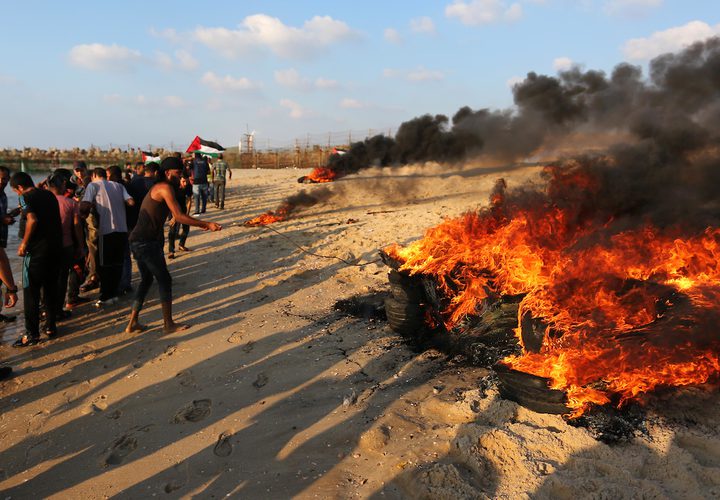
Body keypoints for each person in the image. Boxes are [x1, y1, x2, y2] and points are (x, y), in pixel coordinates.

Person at [125, 156, 221, 334]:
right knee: (164, 280)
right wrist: (206, 225)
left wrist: (181, 189)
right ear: (168, 173)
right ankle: (168, 325)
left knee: (146, 280)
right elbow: (178, 216)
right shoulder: (164, 188)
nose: (181, 175)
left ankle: (132, 323)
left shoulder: (164, 187)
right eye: (178, 173)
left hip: (141, 240)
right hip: (145, 242)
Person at [10, 172, 62, 347]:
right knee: (50, 288)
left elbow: (32, 219)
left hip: (36, 251)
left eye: (16, 192)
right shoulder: (49, 194)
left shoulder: (25, 196)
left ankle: (31, 334)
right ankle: (50, 326)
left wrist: (24, 244)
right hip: (55, 248)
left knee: (30, 292)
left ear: (19, 188)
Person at [80, 168, 134, 307]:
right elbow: (131, 202)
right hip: (121, 229)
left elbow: (85, 204)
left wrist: (82, 212)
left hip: (106, 230)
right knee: (117, 263)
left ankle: (106, 296)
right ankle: (115, 292)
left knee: (104, 264)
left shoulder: (93, 185)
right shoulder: (119, 185)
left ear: (94, 176)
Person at [48, 173, 85, 316]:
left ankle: (47, 310)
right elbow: (77, 226)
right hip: (66, 245)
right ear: (63, 185)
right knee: (62, 278)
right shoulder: (71, 203)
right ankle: (58, 310)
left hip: (48, 247)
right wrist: (81, 246)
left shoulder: (44, 201)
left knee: (48, 279)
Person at [0, 167, 19, 375]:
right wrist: (12, 288)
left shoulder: (3, 196)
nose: (2, 182)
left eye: (5, 179)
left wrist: (7, 217)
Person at [167, 173, 192, 259]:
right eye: (183, 181)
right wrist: (174, 217)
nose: (185, 183)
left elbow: (189, 200)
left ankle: (181, 245)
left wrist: (187, 214)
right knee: (172, 231)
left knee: (186, 229)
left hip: (183, 210)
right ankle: (171, 251)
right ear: (179, 180)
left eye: (187, 182)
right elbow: (172, 203)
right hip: (173, 210)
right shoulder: (174, 188)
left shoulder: (188, 186)